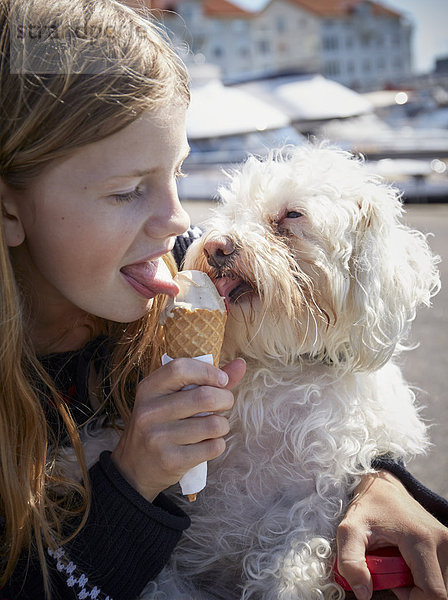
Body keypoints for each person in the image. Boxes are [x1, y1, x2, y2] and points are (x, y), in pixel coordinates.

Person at [0, 0, 447, 598]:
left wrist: (377, 479)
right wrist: (131, 481)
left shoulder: (191, 272)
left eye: (177, 174)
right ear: (10, 205)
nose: (180, 222)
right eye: (128, 191)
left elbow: (338, 359)